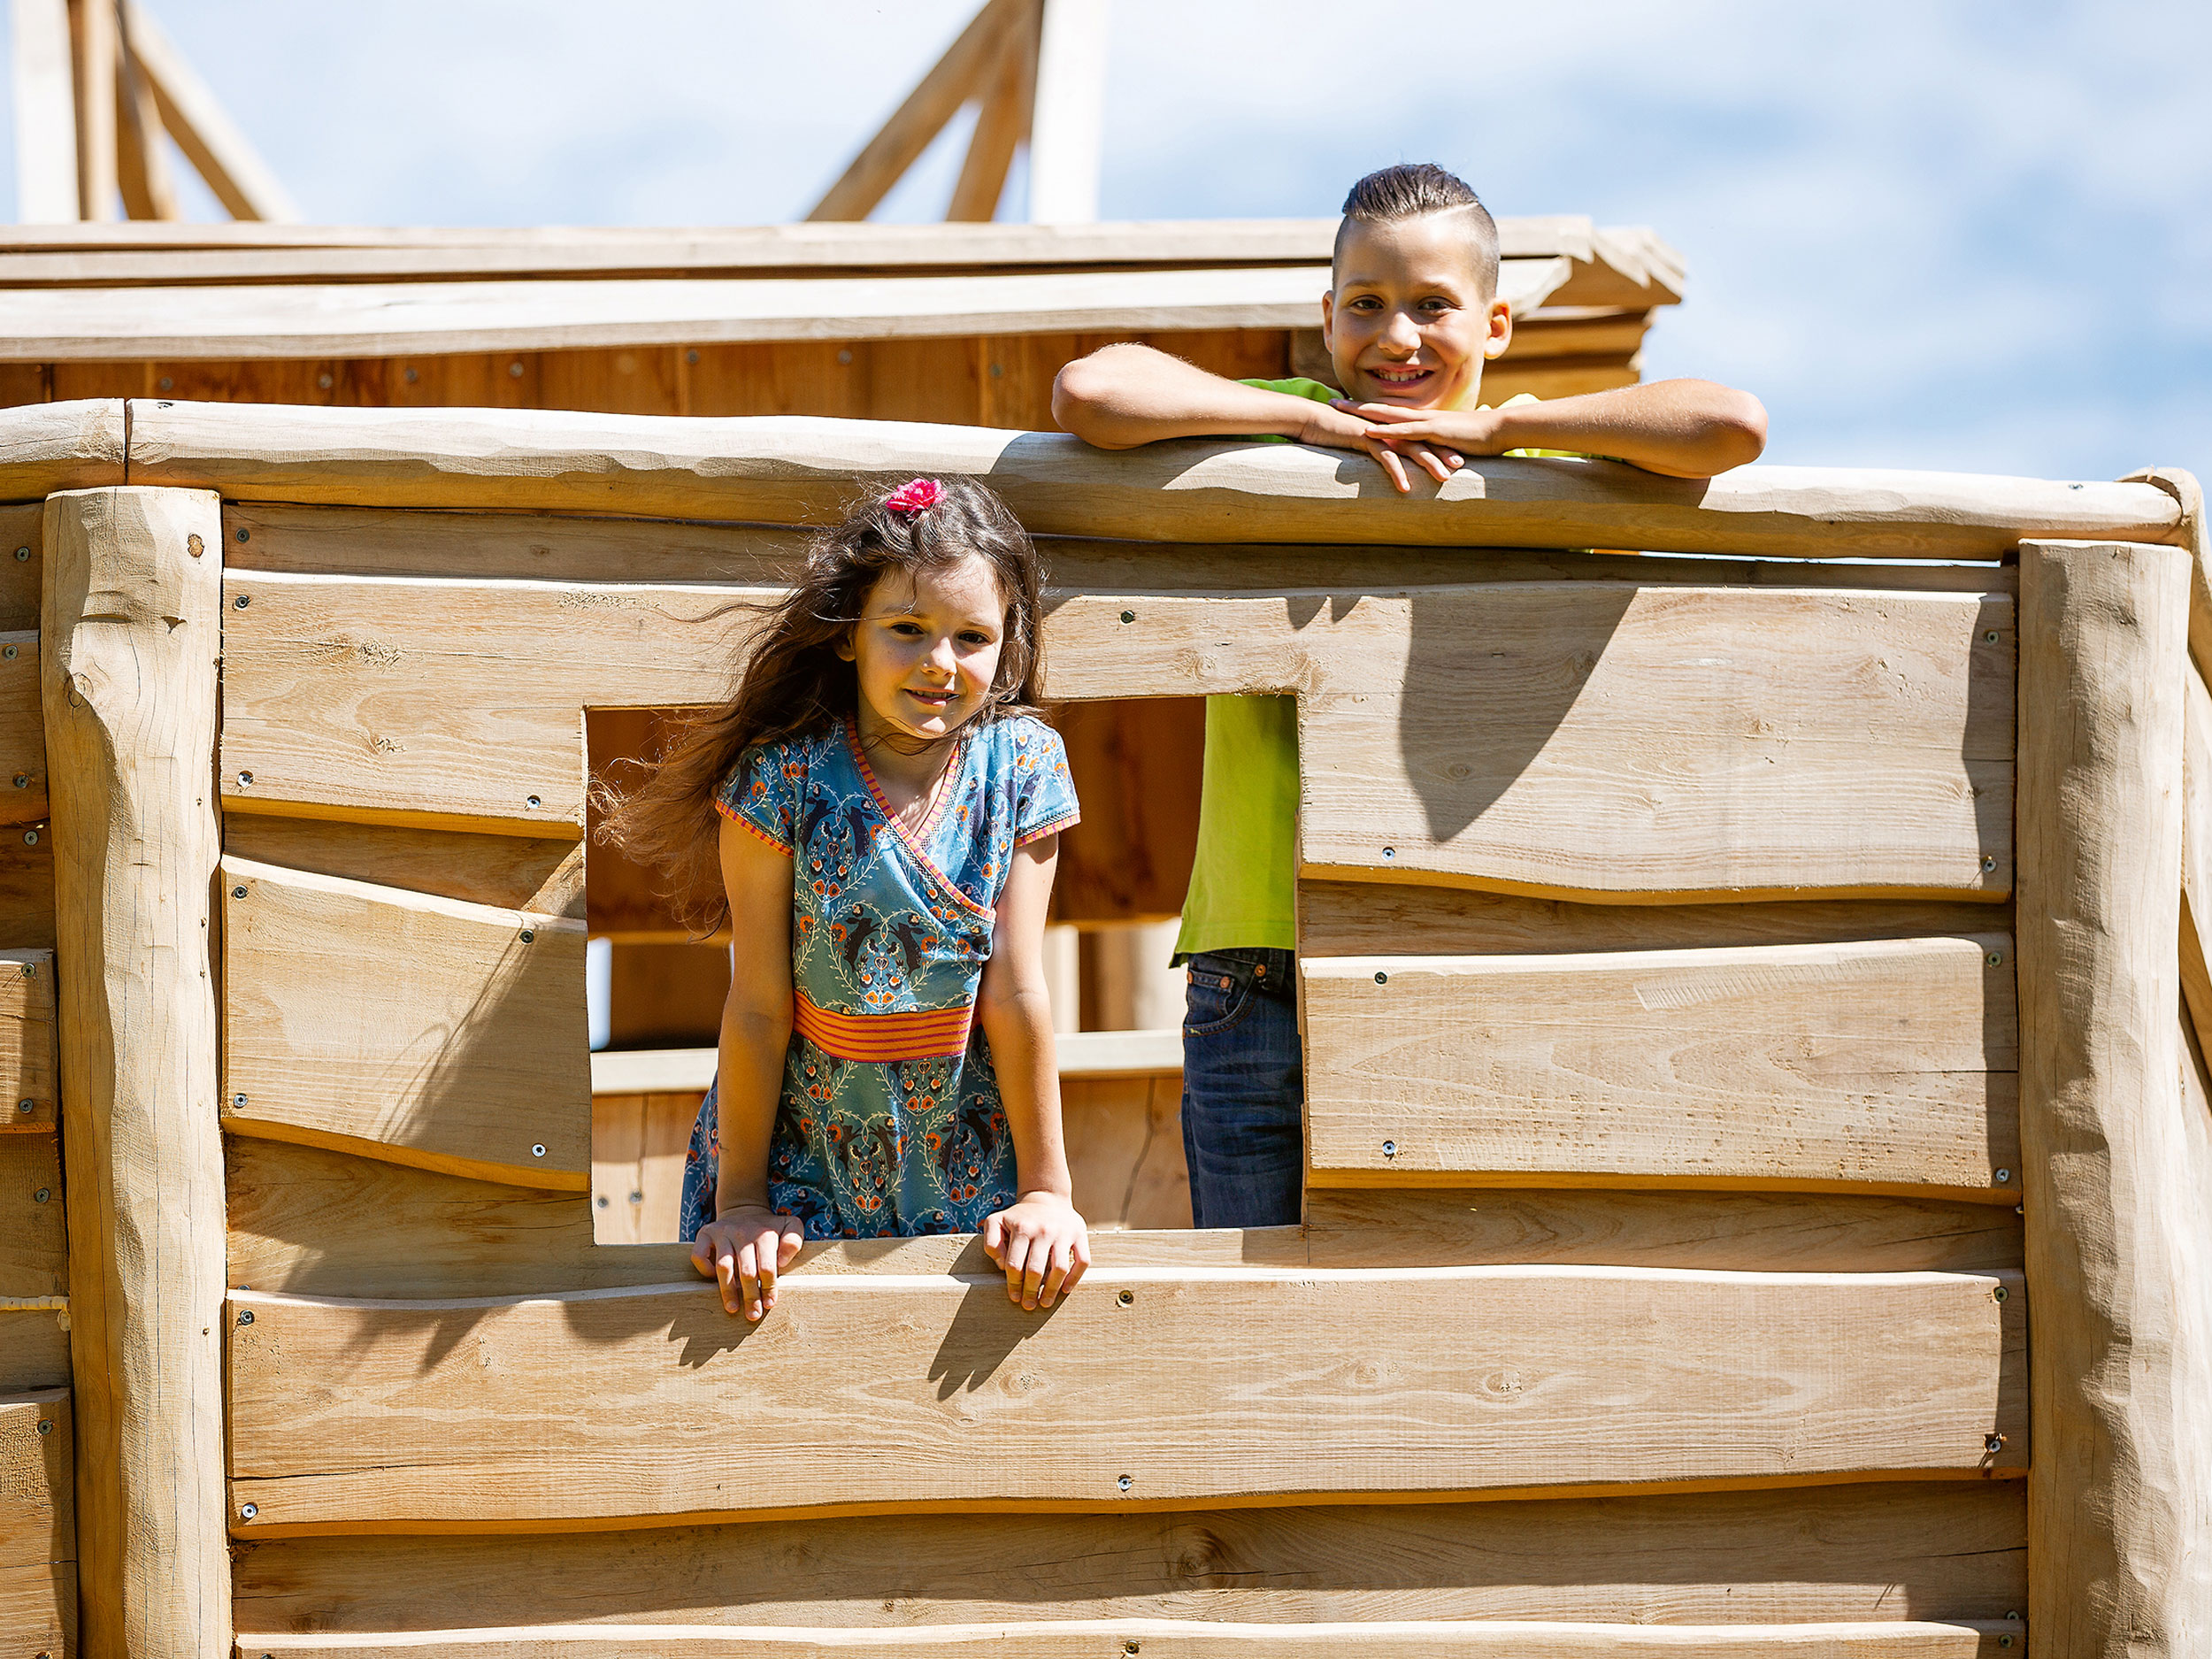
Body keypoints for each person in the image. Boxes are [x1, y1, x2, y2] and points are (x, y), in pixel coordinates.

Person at [1051, 163, 1769, 1230]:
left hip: (1464, 932)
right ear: (1326, 318)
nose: (1399, 337)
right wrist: (1302, 427)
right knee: (1252, 1283)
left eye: (1434, 305)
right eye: (1367, 305)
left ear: (1496, 323)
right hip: (1255, 953)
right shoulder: (1279, 426)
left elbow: (1729, 423)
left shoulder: (1538, 441)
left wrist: (1501, 437)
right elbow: (1092, 393)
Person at [601, 476, 1090, 1320]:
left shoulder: (1024, 765)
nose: (940, 661)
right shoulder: (780, 779)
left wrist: (1048, 1190)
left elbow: (1017, 987)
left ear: (1006, 651)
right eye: (907, 629)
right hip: (798, 1165)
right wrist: (744, 1202)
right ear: (846, 639)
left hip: (964, 1156)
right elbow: (757, 1003)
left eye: (971, 637)